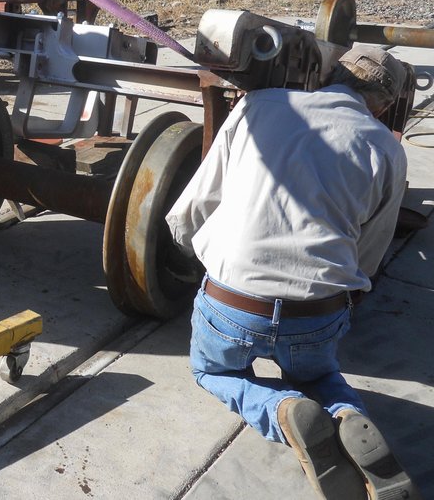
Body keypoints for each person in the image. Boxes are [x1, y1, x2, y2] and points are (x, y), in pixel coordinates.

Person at [165, 45, 419, 500]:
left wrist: (189, 253)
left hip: (232, 306)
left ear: (328, 77)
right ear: (381, 103)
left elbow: (195, 206)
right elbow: (368, 258)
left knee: (213, 372)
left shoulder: (258, 106)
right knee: (320, 378)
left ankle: (281, 410)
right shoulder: (387, 149)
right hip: (315, 317)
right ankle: (343, 417)